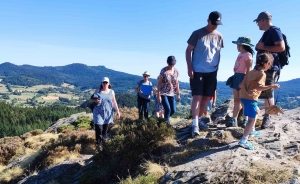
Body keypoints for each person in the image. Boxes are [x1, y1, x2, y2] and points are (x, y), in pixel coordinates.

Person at [185, 11, 224, 137]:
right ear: (208, 20)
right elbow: (188, 50)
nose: (215, 26)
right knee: (197, 97)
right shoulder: (197, 34)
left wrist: (217, 67)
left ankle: (200, 119)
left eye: (217, 24)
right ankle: (195, 124)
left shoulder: (219, 36)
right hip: (198, 70)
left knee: (207, 97)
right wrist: (190, 67)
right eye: (213, 23)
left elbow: (217, 52)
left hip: (212, 71)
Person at [238, 53, 280, 150]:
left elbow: (242, 84)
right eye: (270, 65)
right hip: (250, 98)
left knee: (256, 111)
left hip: (243, 96)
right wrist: (272, 86)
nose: (270, 67)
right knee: (251, 120)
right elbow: (258, 87)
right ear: (267, 63)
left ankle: (251, 130)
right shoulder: (262, 74)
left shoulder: (251, 72)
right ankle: (243, 140)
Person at [254, 11, 285, 129]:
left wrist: (263, 47)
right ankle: (265, 116)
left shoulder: (274, 30)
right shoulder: (267, 33)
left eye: (258, 21)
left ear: (263, 20)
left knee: (268, 92)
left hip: (270, 67)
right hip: (263, 67)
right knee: (261, 89)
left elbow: (281, 47)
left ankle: (268, 117)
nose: (257, 24)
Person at [226, 37, 254, 127]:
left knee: (243, 101)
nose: (236, 47)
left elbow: (249, 70)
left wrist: (244, 82)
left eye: (237, 45)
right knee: (236, 100)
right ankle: (234, 119)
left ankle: (245, 120)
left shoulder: (247, 55)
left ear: (241, 45)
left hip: (242, 77)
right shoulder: (242, 54)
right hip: (237, 76)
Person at [91, 77, 120, 150]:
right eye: (103, 82)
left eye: (106, 82)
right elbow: (92, 99)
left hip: (108, 113)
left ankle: (103, 145)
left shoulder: (112, 92)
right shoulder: (98, 90)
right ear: (101, 83)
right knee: (98, 128)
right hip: (98, 112)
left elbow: (114, 101)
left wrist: (117, 111)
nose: (105, 84)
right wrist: (95, 101)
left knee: (104, 130)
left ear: (109, 83)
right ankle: (99, 145)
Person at [157, 56, 181, 124]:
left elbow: (177, 83)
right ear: (168, 63)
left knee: (173, 110)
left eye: (173, 63)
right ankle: (167, 125)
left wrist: (178, 95)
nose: (172, 65)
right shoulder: (163, 71)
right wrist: (158, 95)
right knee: (167, 109)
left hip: (172, 93)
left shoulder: (176, 71)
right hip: (163, 92)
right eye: (170, 63)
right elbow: (159, 83)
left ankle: (163, 121)